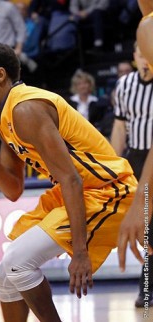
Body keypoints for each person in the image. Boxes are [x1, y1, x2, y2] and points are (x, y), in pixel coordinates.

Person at [0, 43, 137, 322]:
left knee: (18, 263)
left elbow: (71, 178)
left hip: (108, 190)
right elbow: (14, 190)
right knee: (4, 274)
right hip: (82, 190)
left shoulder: (26, 109)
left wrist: (80, 253)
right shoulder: (4, 115)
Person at [110, 41, 153, 307]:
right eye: (141, 52)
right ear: (135, 56)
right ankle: (146, 288)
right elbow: (119, 128)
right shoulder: (125, 85)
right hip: (137, 159)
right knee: (146, 227)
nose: (146, 56)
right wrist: (113, 167)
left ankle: (146, 288)